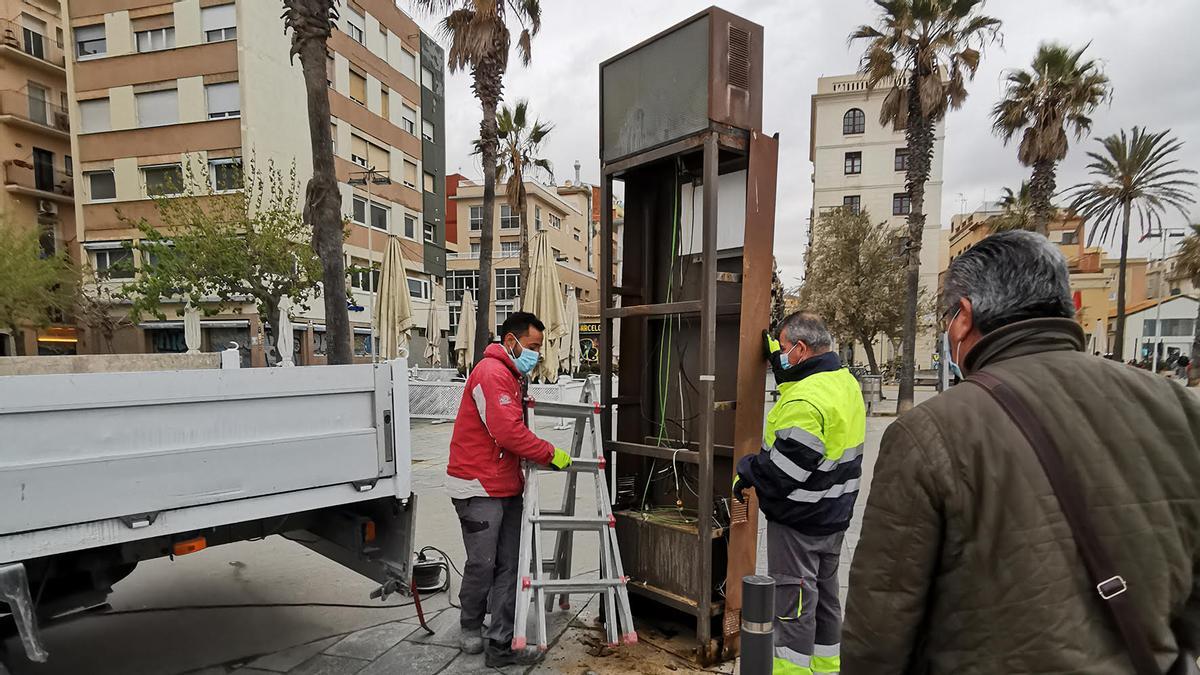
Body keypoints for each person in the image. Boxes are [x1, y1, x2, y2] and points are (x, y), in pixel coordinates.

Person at [843, 231, 1200, 674]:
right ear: (1069, 301)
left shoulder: (929, 431)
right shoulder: (1182, 408)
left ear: (964, 318)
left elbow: (882, 618)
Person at [733, 311, 866, 674]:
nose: (782, 356)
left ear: (802, 349)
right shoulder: (844, 382)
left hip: (800, 524)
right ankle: (825, 667)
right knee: (825, 600)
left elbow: (782, 474)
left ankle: (792, 670)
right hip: (834, 518)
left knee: (793, 605)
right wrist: (782, 364)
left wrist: (746, 470)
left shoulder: (804, 401)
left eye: (786, 349)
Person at [445, 312, 572, 667]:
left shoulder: (514, 376)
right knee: (483, 564)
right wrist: (551, 453)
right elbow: (507, 432)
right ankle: (470, 624)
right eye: (532, 346)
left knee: (511, 565)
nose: (536, 354)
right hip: (476, 485)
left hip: (505, 484)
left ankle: (501, 644)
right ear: (511, 340)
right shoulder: (491, 373)